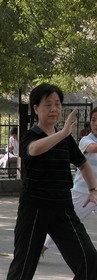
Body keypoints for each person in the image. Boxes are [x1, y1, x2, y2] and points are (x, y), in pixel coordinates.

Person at [0, 83, 97, 280]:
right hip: (34, 208)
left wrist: (93, 190)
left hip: (63, 209)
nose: (54, 109)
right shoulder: (31, 135)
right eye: (48, 104)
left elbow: (84, 165)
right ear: (36, 108)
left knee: (89, 258)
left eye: (57, 104)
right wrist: (62, 134)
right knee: (25, 260)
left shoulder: (66, 140)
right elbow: (32, 150)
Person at [42, 107, 97, 254]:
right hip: (82, 192)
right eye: (93, 120)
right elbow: (93, 149)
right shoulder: (86, 140)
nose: (96, 123)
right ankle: (39, 249)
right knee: (66, 225)